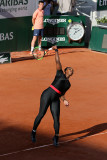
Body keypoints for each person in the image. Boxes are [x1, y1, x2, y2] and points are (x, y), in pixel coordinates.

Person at [31, 46, 74, 146]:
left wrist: (64, 100)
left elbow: (62, 94)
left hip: (55, 99)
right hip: (46, 95)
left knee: (56, 118)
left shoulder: (68, 85)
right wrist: (56, 51)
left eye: (72, 70)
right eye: (70, 69)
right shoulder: (60, 74)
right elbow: (57, 61)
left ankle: (56, 138)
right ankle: (33, 132)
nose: (71, 70)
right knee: (41, 114)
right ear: (65, 70)